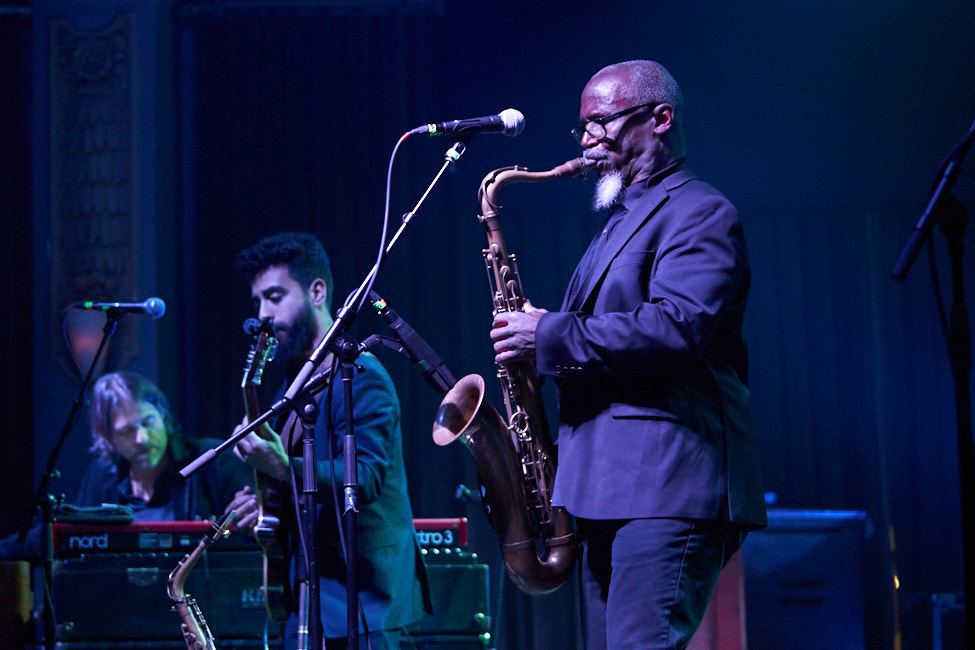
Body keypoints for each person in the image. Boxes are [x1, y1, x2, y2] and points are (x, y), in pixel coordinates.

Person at [489, 60, 767, 649]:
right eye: (582, 128)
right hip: (606, 488)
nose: (587, 141)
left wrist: (551, 334)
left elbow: (678, 326)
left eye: (600, 123)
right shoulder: (622, 222)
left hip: (667, 482)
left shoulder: (699, 211)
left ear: (660, 119)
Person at [233, 232, 430, 649]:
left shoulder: (360, 374)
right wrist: (263, 504)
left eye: (274, 296)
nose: (264, 315)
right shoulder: (291, 386)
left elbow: (363, 478)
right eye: (258, 303)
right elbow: (301, 491)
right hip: (307, 604)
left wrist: (278, 466)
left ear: (317, 291)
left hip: (363, 607)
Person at [1, 371, 255, 559]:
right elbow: (69, 538)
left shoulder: (212, 459)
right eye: (126, 431)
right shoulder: (102, 477)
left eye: (148, 422)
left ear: (164, 418)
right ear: (108, 438)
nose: (142, 439)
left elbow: (256, 534)